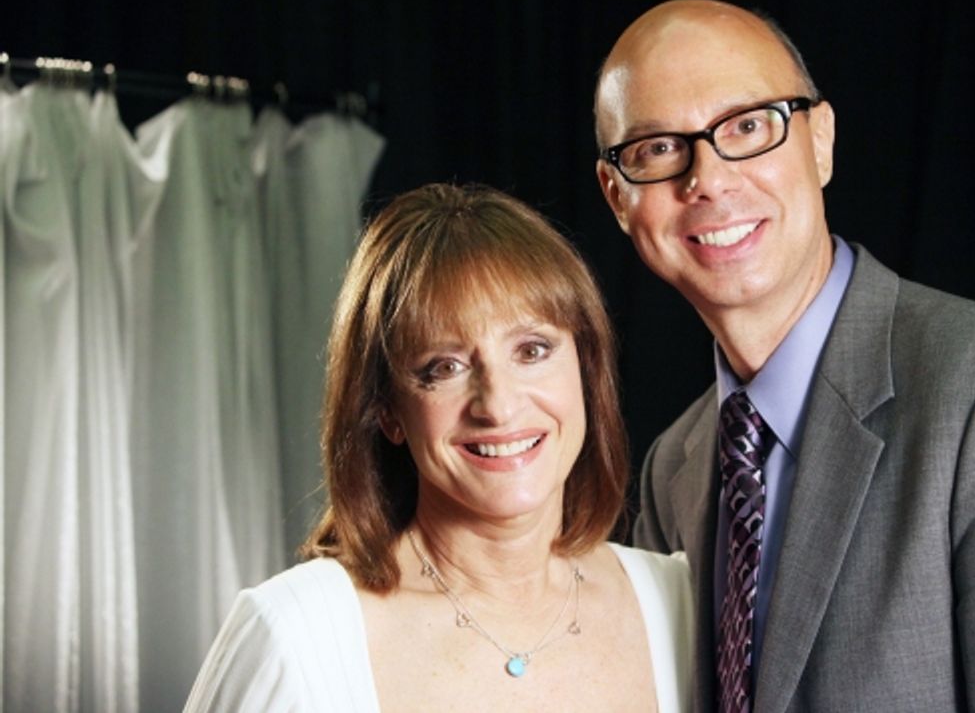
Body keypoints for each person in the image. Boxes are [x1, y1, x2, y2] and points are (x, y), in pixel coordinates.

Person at [593, 0, 975, 711]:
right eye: (658, 148)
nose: (709, 179)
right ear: (618, 197)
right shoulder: (676, 467)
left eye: (748, 126)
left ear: (821, 142)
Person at [184, 183, 694, 711]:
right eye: (444, 367)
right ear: (386, 410)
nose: (497, 405)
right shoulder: (294, 638)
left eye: (532, 350)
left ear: (586, 369)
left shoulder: (680, 604)